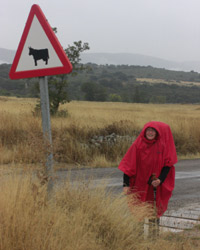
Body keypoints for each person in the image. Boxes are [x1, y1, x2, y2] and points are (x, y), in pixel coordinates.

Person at [118, 121, 177, 217]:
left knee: (155, 209)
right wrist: (126, 184)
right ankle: (140, 230)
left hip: (155, 184)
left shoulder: (161, 145)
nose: (150, 133)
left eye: (153, 131)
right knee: (139, 208)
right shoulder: (137, 145)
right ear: (144, 132)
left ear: (157, 133)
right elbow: (128, 165)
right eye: (148, 130)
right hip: (140, 183)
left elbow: (168, 164)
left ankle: (154, 230)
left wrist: (160, 180)